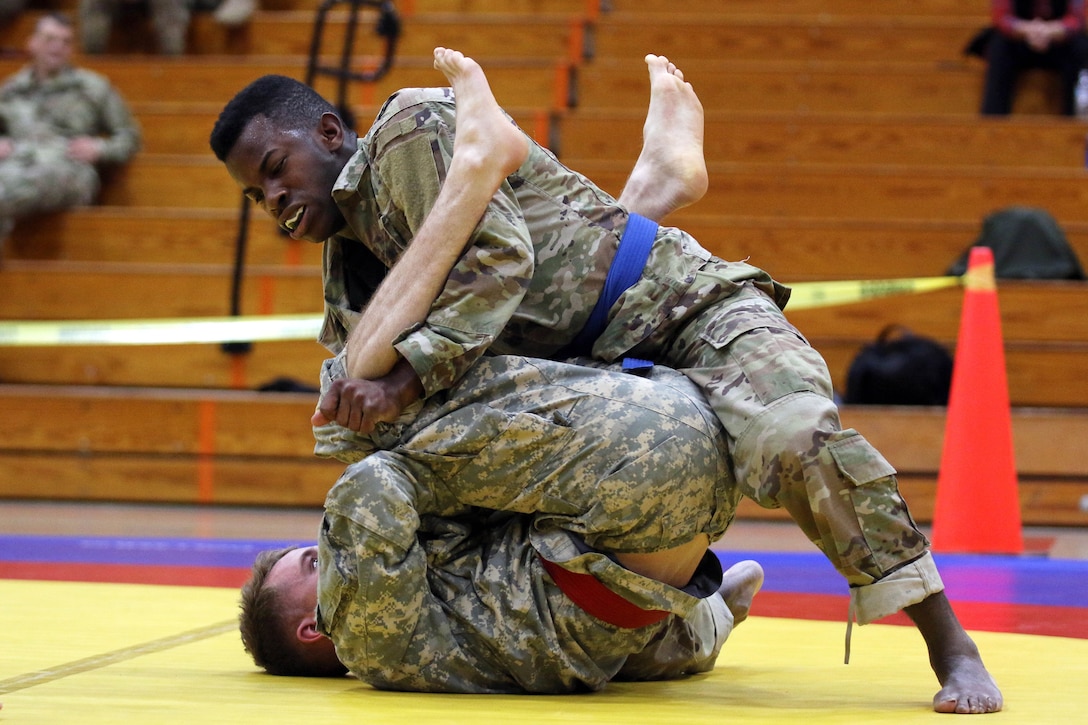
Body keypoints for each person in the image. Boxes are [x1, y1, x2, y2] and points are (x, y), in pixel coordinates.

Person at [210, 48, 1002, 714]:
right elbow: (346, 409)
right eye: (256, 194)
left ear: (326, 131)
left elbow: (501, 261)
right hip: (586, 358)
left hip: (680, 308)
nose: (273, 198)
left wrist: (402, 381)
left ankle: (948, 642)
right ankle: (658, 182)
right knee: (361, 412)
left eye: (276, 169)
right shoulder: (346, 264)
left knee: (792, 439)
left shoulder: (406, 132)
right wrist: (370, 392)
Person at [243, 353, 765, 692]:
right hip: (637, 500)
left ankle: (712, 618)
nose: (327, 547)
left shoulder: (410, 632)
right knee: (362, 419)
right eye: (313, 559)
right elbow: (369, 488)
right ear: (312, 627)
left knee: (627, 651)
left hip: (610, 607)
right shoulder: (365, 638)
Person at [0, 12, 140, 251]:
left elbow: (130, 137)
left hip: (68, 169)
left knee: (30, 181)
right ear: (31, 43)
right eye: (50, 39)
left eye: (66, 42)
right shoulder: (11, 90)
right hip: (17, 165)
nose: (58, 47)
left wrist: (101, 148)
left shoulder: (93, 87)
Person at [979, 0, 1088, 115]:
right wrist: (1029, 30)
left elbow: (1077, 19)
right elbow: (1001, 17)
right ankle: (992, 120)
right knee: (998, 46)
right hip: (1018, 40)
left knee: (1081, 47)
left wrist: (1048, 31)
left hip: (1060, 40)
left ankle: (1075, 120)